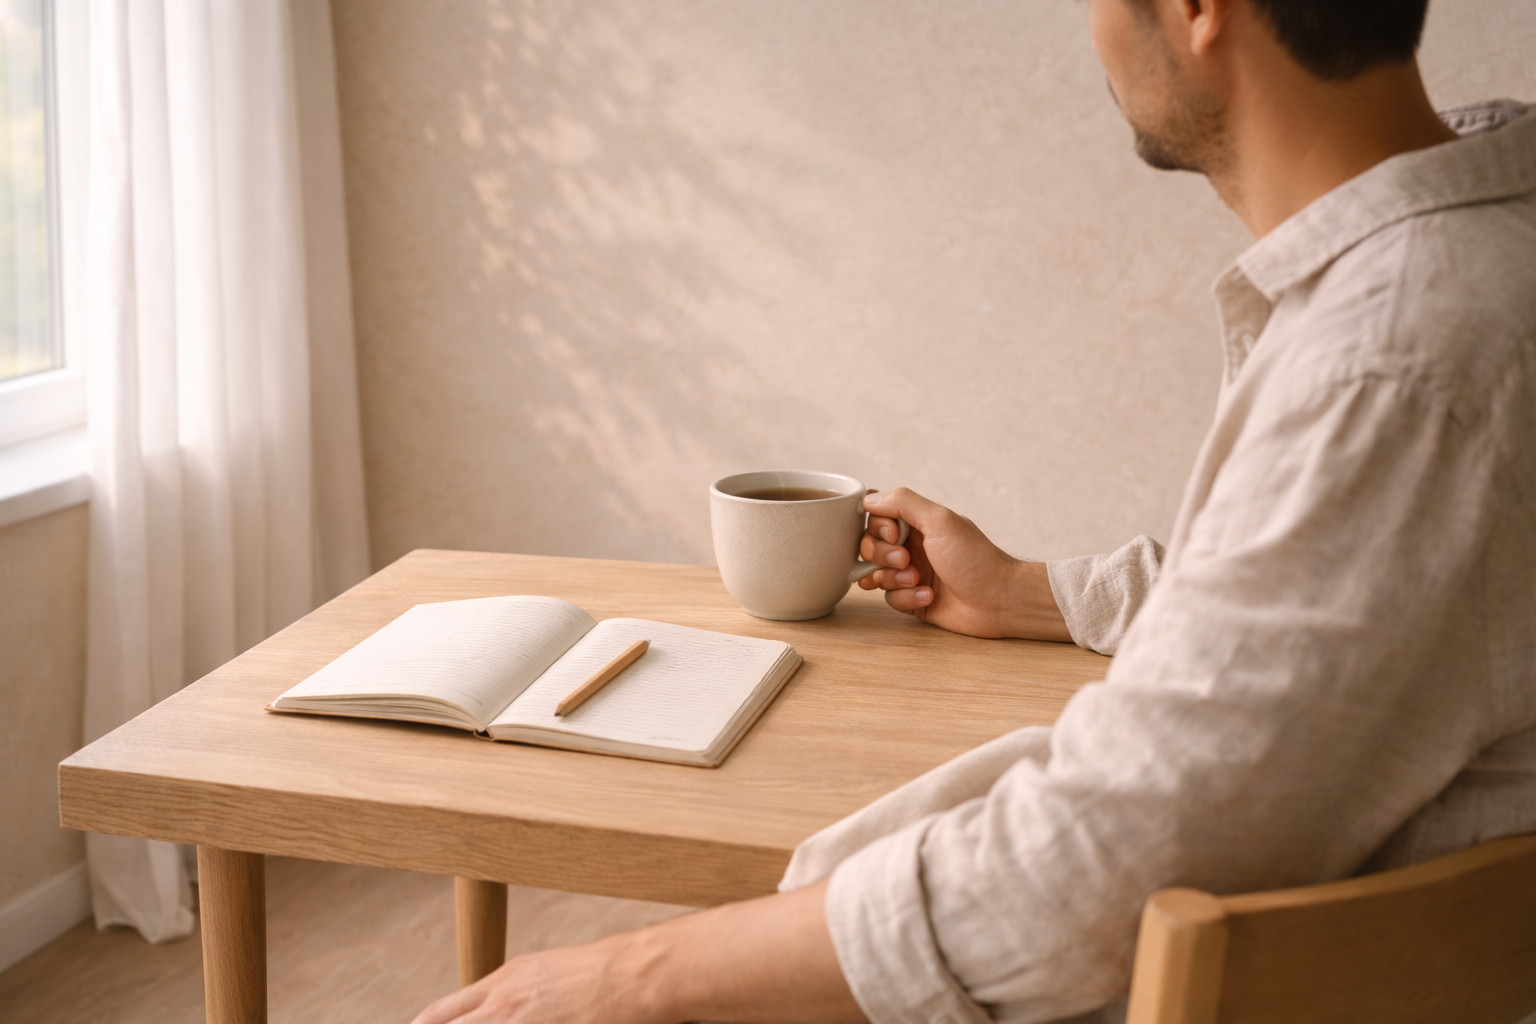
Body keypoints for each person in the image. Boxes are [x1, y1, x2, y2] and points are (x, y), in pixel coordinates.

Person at [414, 0, 1536, 1021]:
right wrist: (1028, 593)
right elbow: (1371, 592)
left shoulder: (1393, 360)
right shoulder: (1488, 248)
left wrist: (631, 975)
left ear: (1199, 12)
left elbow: (1094, 862)